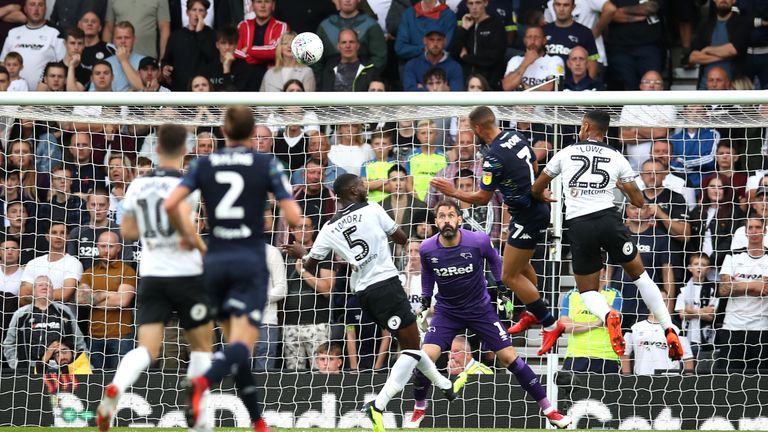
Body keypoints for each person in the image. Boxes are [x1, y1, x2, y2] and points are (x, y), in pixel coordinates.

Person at [284, 173, 455, 432]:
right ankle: (378, 405)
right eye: (363, 185)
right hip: (385, 285)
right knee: (411, 347)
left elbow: (310, 264)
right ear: (353, 191)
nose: (367, 188)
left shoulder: (329, 227)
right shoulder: (373, 209)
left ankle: (444, 385)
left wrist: (301, 253)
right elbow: (400, 237)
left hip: (362, 295)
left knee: (410, 344)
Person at [166, 106, 301, 432]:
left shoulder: (203, 162)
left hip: (214, 261)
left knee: (234, 342)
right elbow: (295, 216)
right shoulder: (266, 163)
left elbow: (172, 204)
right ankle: (201, 384)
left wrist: (189, 237)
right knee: (242, 343)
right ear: (252, 131)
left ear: (223, 131)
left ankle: (257, 421)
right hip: (249, 262)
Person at [530, 109, 684, 361]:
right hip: (609, 221)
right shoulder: (616, 156)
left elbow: (537, 188)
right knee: (641, 277)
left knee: (588, 291)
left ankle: (607, 315)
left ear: (586, 126)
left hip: (580, 225)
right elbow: (638, 201)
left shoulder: (566, 152)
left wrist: (542, 195)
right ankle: (669, 328)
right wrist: (621, 184)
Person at [406, 200, 571, 429]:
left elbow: (496, 262)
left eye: (451, 215)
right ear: (436, 222)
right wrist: (425, 298)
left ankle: (550, 410)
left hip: (480, 310)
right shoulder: (427, 248)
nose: (446, 220)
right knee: (425, 357)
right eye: (441, 216)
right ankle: (419, 408)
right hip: (447, 312)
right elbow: (427, 274)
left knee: (509, 357)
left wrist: (502, 289)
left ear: (459, 219)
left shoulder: (478, 241)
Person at [96, 124, 214, 431]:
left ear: (157, 150)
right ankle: (198, 409)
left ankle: (117, 388)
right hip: (185, 274)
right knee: (203, 346)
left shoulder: (136, 186)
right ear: (185, 151)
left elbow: (128, 233)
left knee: (148, 348)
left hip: (150, 276)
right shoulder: (190, 183)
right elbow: (187, 229)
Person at [430, 106, 563, 356]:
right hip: (529, 209)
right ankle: (533, 311)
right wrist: (533, 191)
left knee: (509, 276)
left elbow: (481, 198)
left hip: (528, 215)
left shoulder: (493, 158)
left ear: (478, 128)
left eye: (471, 130)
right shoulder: (516, 136)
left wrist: (453, 192)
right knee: (521, 267)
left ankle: (550, 323)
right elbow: (535, 164)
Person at [716, 215, 768, 373]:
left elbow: (765, 290)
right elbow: (723, 290)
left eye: (758, 227)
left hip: (761, 328)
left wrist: (737, 284)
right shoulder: (733, 255)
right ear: (745, 232)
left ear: (764, 231)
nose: (754, 231)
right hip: (733, 327)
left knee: (761, 380)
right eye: (750, 228)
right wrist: (754, 285)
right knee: (729, 380)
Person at [3, 275, 87, 371]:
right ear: (33, 291)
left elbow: (79, 342)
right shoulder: (21, 314)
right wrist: (17, 365)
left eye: (48, 285)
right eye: (40, 285)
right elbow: (9, 343)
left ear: (53, 291)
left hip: (61, 370)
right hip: (28, 370)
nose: (44, 287)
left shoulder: (64, 312)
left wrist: (81, 366)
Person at [560, 269, 622, 373]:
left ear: (604, 272)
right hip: (576, 355)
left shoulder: (614, 294)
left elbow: (614, 320)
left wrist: (597, 296)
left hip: (606, 356)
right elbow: (565, 326)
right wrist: (596, 323)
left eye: (599, 270)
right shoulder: (572, 295)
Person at [0, 0, 64, 90]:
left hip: (43, 98)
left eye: (40, 5)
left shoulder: (55, 33)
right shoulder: (13, 33)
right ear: (25, 9)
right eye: (32, 4)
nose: (36, 9)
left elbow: (63, 66)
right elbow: (2, 64)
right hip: (14, 96)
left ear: (45, 9)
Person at [622, 312, 694, 375]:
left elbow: (688, 357)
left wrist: (688, 382)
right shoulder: (635, 326)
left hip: (670, 379)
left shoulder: (676, 327)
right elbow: (625, 353)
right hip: (641, 378)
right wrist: (627, 378)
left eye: (664, 301)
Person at [675, 253, 717, 357]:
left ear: (708, 269)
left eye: (703, 265)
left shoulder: (713, 289)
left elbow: (711, 316)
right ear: (689, 268)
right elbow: (682, 315)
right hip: (687, 338)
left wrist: (690, 310)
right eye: (696, 264)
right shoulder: (683, 289)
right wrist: (703, 311)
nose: (699, 267)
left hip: (706, 339)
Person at [502, 26, 563, 91]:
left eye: (537, 37)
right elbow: (506, 86)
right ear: (524, 40)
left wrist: (526, 88)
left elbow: (555, 87)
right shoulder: (515, 60)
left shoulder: (555, 60)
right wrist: (525, 63)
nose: (533, 41)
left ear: (544, 40)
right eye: (529, 37)